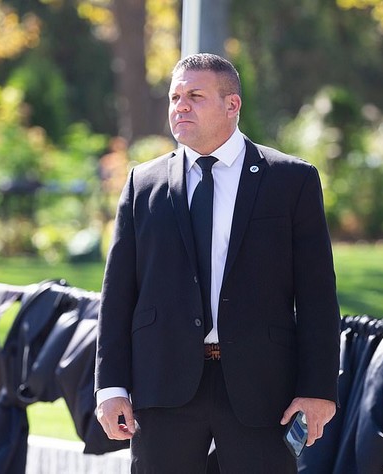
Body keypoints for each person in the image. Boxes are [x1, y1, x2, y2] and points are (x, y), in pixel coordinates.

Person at [95, 53, 341, 472]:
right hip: (164, 386)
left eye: (195, 96)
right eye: (175, 97)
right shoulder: (143, 184)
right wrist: (111, 387)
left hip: (262, 389)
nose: (180, 107)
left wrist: (318, 389)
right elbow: (118, 294)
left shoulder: (291, 180)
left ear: (232, 105)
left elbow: (317, 294)